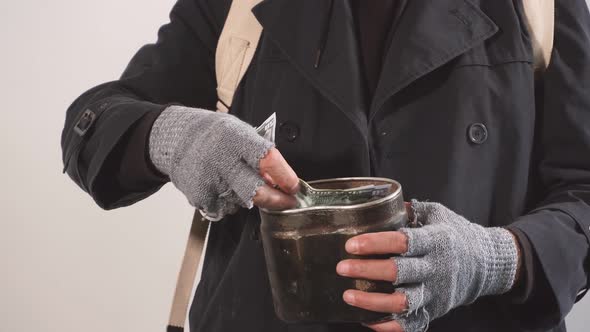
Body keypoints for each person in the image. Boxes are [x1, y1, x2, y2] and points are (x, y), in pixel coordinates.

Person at [61, 0, 590, 331]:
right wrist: (169, 136)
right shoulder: (235, 5)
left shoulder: (539, 6)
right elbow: (95, 122)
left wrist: (496, 259)